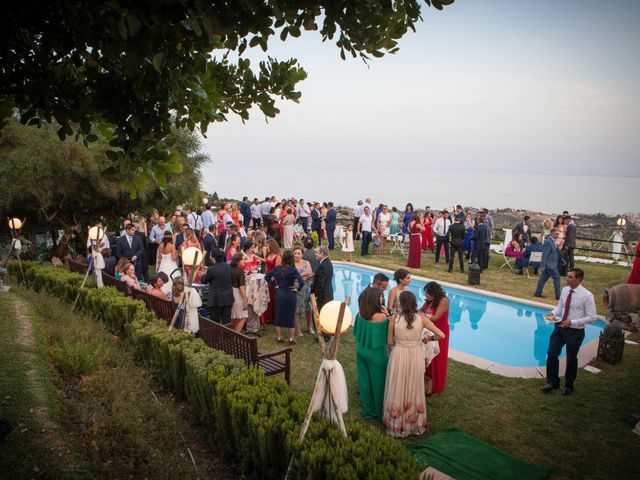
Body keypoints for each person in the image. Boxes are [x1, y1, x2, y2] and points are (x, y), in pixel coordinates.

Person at [383, 291, 445, 437]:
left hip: (399, 354)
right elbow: (441, 335)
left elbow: (389, 342)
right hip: (415, 354)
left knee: (397, 384)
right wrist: (428, 339)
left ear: (401, 303)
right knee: (413, 384)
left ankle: (396, 422)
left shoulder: (394, 319)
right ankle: (413, 421)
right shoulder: (422, 319)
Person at [540, 268, 597, 396]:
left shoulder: (587, 296)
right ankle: (552, 382)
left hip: (575, 332)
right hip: (560, 327)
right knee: (552, 353)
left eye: (570, 277)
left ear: (579, 279)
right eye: (567, 276)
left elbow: (592, 317)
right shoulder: (565, 290)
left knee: (571, 359)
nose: (567, 279)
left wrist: (572, 322)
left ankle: (569, 386)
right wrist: (553, 313)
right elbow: (561, 306)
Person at [353, 287, 390, 420]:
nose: (382, 299)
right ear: (374, 299)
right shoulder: (381, 317)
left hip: (361, 351)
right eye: (380, 297)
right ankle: (380, 412)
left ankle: (368, 411)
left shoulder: (360, 314)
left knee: (365, 382)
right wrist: (388, 315)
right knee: (379, 384)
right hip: (377, 355)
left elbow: (356, 332)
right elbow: (389, 336)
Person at [265, 249, 305, 344]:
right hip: (290, 293)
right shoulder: (293, 270)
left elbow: (267, 277)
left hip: (280, 292)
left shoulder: (277, 268)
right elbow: (302, 282)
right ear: (291, 258)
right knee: (290, 315)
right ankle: (291, 339)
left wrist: (274, 284)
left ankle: (279, 337)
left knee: (278, 314)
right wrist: (297, 289)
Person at [421, 281, 450, 395]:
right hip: (428, 330)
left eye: (428, 294)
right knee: (427, 355)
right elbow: (421, 310)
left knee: (437, 358)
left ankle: (436, 387)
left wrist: (423, 316)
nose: (426, 296)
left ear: (434, 293)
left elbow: (436, 318)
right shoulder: (429, 300)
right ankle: (426, 384)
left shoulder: (444, 301)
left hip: (440, 331)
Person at [200, 249, 234, 325]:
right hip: (228, 297)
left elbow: (204, 280)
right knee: (227, 321)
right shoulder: (228, 267)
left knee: (215, 323)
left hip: (216, 300)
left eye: (210, 256)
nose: (209, 258)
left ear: (214, 258)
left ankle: (217, 337)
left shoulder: (211, 269)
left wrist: (203, 273)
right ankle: (227, 336)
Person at [535, 228, 562, 300]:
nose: (558, 235)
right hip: (550, 265)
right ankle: (558, 296)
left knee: (542, 279)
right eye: (557, 234)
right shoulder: (548, 242)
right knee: (557, 278)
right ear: (552, 233)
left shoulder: (552, 241)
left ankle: (537, 293)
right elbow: (544, 254)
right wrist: (542, 265)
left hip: (550, 264)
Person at [293, 246, 314, 335]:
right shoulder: (291, 264)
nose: (297, 255)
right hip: (296, 290)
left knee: (308, 309)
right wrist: (304, 274)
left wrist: (300, 276)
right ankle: (298, 329)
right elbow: (292, 277)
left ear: (302, 254)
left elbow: (310, 274)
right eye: (295, 253)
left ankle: (309, 328)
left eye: (298, 253)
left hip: (306, 289)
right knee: (296, 310)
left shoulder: (306, 263)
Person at [262, 239, 282, 324]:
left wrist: (272, 279)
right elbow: (267, 267)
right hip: (267, 277)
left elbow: (277, 270)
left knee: (274, 299)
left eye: (267, 246)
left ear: (271, 246)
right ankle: (268, 317)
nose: (266, 248)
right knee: (267, 298)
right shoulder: (268, 255)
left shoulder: (278, 256)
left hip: (273, 280)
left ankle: (274, 318)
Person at [229, 253, 248, 332]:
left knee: (234, 316)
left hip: (229, 292)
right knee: (243, 316)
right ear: (238, 261)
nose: (245, 261)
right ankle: (236, 335)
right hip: (237, 294)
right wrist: (245, 300)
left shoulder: (229, 268)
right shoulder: (240, 271)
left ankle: (233, 333)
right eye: (243, 259)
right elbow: (241, 287)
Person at [310, 246, 333, 310]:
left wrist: (316, 296)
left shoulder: (322, 265)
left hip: (322, 298)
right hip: (328, 295)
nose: (315, 254)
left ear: (322, 253)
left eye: (316, 252)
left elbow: (320, 284)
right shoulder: (328, 262)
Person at [157, 231, 179, 296]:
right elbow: (174, 258)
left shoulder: (160, 245)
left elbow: (159, 256)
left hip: (162, 265)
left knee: (161, 278)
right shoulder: (172, 246)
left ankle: (161, 293)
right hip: (171, 265)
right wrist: (177, 253)